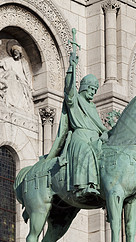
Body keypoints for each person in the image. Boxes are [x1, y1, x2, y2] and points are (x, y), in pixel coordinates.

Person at [46, 51, 108, 198]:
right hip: (80, 138)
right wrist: (71, 68)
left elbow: (100, 126)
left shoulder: (92, 107)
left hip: (95, 139)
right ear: (84, 88)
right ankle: (84, 186)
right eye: (91, 89)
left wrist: (107, 133)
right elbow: (69, 89)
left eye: (95, 90)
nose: (93, 93)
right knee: (86, 150)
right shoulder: (75, 101)